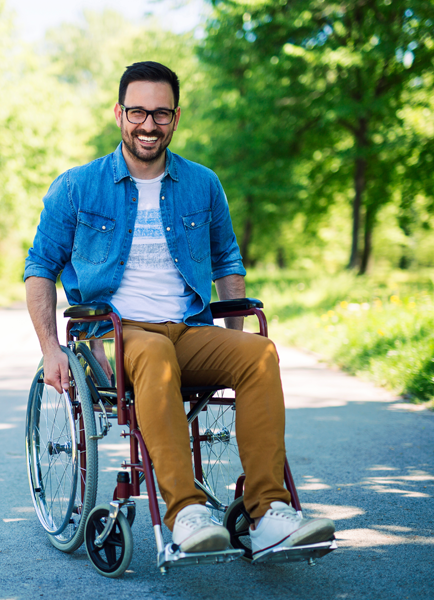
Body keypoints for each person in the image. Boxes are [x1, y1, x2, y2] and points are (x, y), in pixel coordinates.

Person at [24, 61, 335, 559]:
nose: (149, 124)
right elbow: (40, 267)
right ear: (119, 113)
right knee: (152, 353)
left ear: (176, 116)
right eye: (138, 112)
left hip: (187, 329)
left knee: (259, 354)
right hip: (111, 335)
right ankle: (185, 512)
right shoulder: (77, 186)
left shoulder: (202, 184)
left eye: (161, 113)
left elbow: (227, 259)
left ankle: (267, 512)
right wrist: (49, 348)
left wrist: (235, 339)